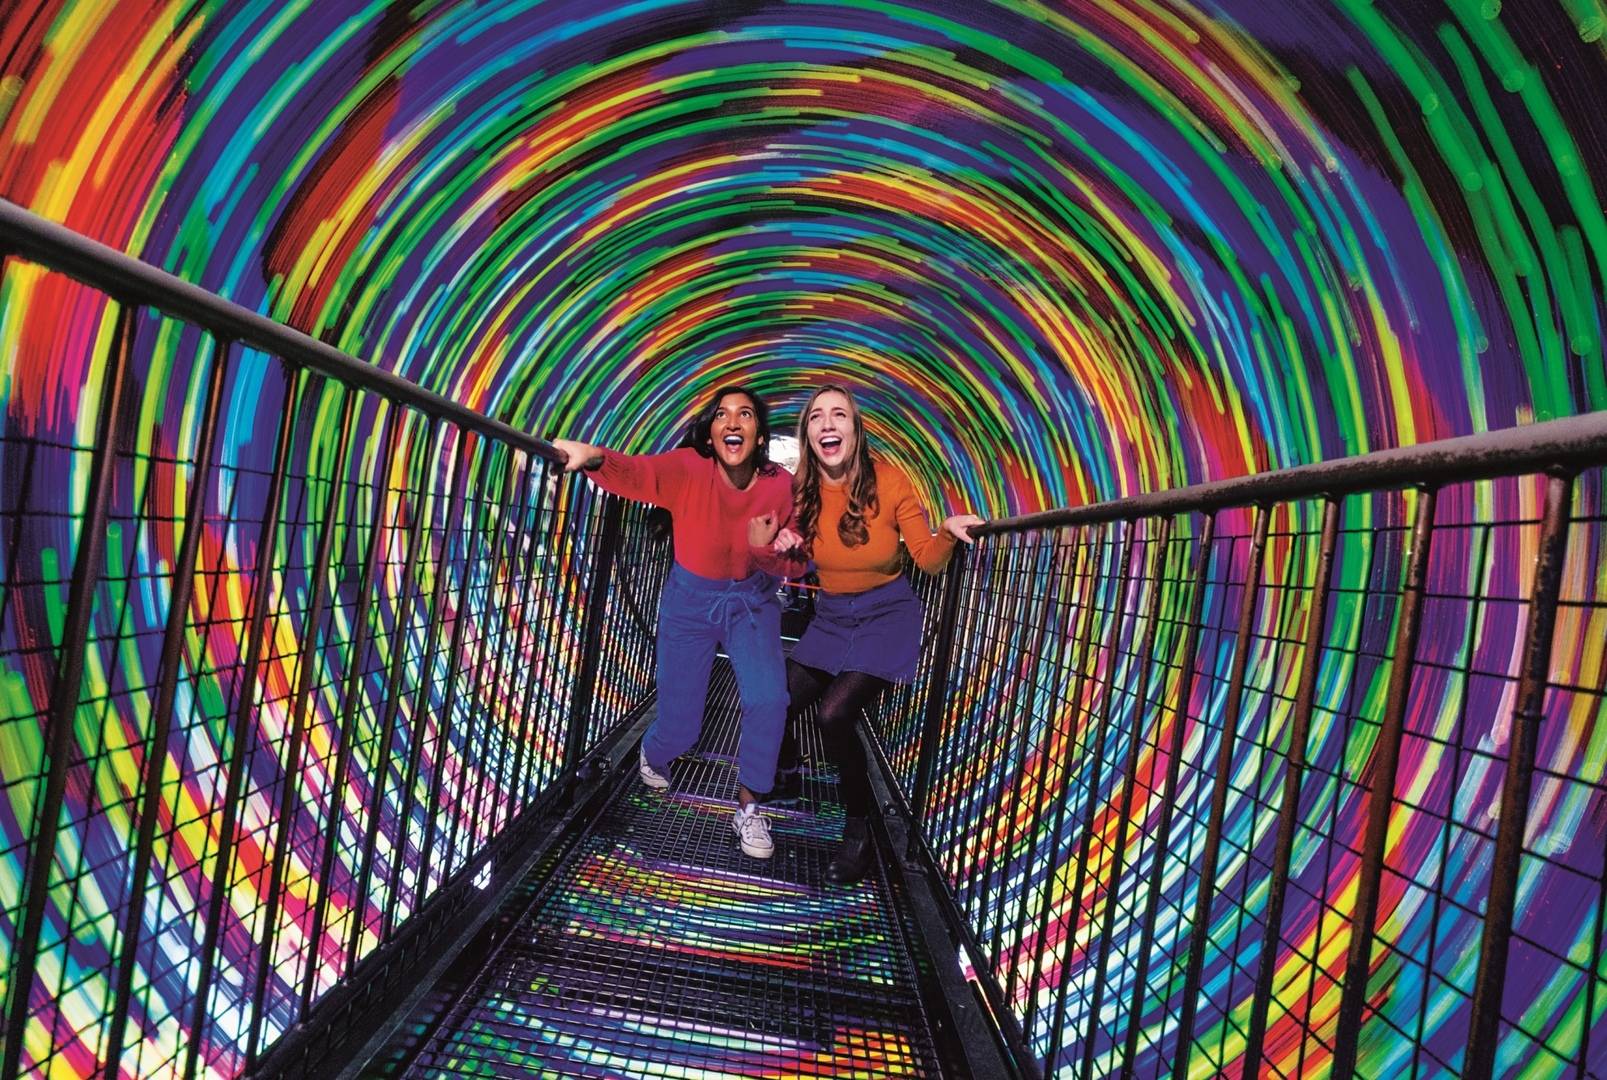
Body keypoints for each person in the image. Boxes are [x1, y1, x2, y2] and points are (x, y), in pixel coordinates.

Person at [551, 385, 799, 859]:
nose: (733, 422)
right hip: (689, 603)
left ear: (759, 434)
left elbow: (797, 564)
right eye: (722, 414)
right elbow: (637, 472)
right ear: (710, 431)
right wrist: (591, 456)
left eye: (745, 414)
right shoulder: (689, 468)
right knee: (682, 728)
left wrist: (772, 548)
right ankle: (654, 751)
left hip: (751, 604)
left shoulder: (778, 486)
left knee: (770, 699)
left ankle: (749, 807)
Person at [760, 385, 982, 884]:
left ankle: (858, 828)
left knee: (834, 714)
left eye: (839, 414)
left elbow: (927, 559)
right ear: (808, 433)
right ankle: (789, 776)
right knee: (774, 696)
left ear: (856, 431)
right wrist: (788, 546)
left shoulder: (892, 480)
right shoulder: (802, 490)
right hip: (833, 616)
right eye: (817, 416)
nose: (827, 424)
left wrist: (946, 531)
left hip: (887, 615)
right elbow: (809, 557)